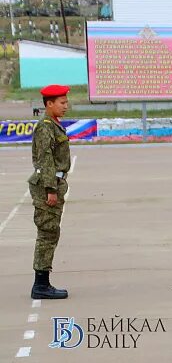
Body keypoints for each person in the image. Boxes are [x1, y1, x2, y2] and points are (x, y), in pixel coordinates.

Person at [29, 84, 71, 300]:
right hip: (48, 185)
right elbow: (45, 160)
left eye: (66, 102)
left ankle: (42, 282)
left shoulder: (54, 125)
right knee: (47, 233)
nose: (66, 106)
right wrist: (50, 190)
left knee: (51, 232)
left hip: (54, 182)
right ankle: (41, 285)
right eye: (62, 103)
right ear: (49, 104)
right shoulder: (46, 127)